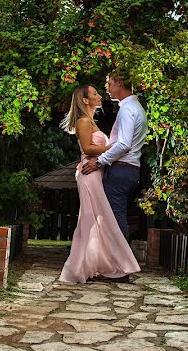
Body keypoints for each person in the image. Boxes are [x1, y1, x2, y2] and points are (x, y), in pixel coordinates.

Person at [58, 84, 141, 283]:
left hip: (97, 171)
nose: (99, 95)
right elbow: (87, 148)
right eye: (94, 93)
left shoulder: (92, 122)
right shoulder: (84, 122)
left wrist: (109, 150)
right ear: (85, 100)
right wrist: (113, 147)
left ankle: (100, 263)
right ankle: (79, 267)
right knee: (90, 219)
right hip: (89, 173)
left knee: (99, 219)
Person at [81, 72, 148, 246]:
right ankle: (117, 264)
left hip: (121, 169)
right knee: (115, 216)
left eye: (109, 83)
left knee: (114, 218)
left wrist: (99, 161)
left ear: (119, 83)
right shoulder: (135, 108)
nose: (107, 88)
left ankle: (121, 266)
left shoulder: (127, 110)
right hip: (129, 169)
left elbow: (124, 144)